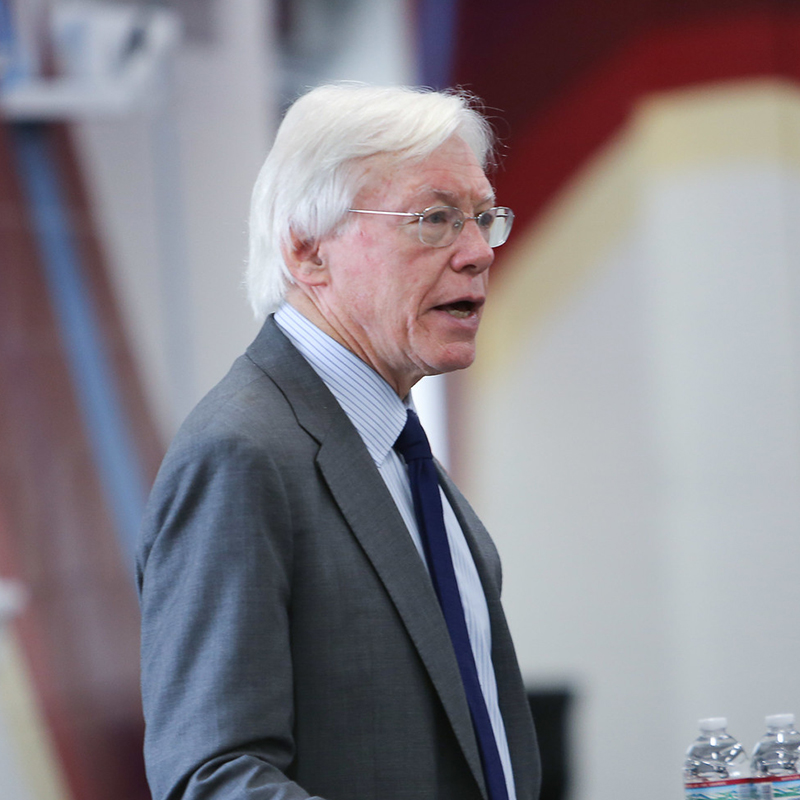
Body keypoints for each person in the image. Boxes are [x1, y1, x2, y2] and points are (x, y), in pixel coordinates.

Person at [137, 83, 540, 800]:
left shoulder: (396, 448)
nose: (477, 252)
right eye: (436, 219)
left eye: (482, 218)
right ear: (307, 249)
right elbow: (214, 777)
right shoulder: (242, 453)